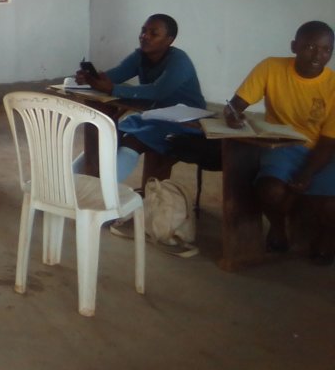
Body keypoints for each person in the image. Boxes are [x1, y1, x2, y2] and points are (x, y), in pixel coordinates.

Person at [223, 21, 335, 264]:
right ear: (294, 46)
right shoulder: (271, 67)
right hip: (284, 144)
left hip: (324, 150)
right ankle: (278, 226)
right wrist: (232, 114)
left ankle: (327, 236)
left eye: (326, 49)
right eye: (310, 47)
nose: (318, 55)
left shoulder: (333, 85)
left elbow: (329, 141)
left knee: (329, 204)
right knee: (270, 190)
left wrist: (307, 173)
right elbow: (235, 104)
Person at [74, 14, 206, 185]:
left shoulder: (179, 61)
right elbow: (116, 74)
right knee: (109, 135)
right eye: (143, 31)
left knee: (134, 140)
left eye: (153, 33)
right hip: (155, 115)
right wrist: (91, 78)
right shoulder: (140, 56)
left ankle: (100, 190)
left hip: (186, 120)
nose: (145, 36)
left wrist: (112, 89)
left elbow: (157, 91)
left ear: (169, 40)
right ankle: (69, 183)